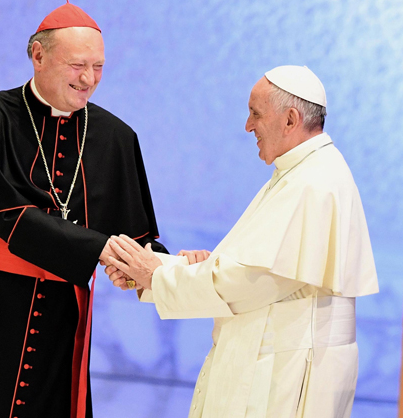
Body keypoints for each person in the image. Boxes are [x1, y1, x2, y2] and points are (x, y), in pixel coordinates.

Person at [0, 2, 167, 418]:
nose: (89, 80)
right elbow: (6, 215)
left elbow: (135, 237)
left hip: (61, 318)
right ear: (38, 56)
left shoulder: (116, 137)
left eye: (98, 67)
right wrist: (100, 249)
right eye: (77, 65)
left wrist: (171, 266)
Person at [102, 65, 379, 417]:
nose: (248, 126)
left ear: (290, 119)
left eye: (255, 114)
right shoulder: (300, 173)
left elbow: (251, 282)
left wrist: (155, 274)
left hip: (286, 379)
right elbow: (255, 268)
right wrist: (167, 270)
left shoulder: (313, 182)